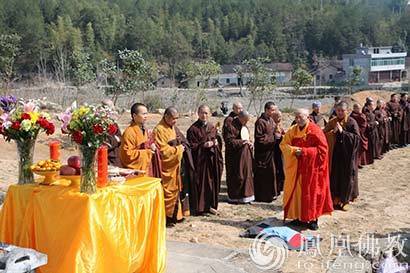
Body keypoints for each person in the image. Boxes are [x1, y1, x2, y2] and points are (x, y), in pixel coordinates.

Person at [280, 109, 333, 230]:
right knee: (297, 194)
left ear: (307, 117)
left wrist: (304, 152)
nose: (298, 120)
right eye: (296, 117)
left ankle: (313, 219)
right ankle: (299, 217)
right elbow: (284, 145)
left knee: (312, 194)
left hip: (313, 170)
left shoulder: (315, 131)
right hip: (297, 168)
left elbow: (323, 151)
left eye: (300, 117)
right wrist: (294, 151)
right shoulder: (293, 130)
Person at [187, 105, 223, 215]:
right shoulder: (193, 129)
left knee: (212, 183)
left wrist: (216, 143)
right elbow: (191, 147)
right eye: (202, 113)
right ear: (198, 113)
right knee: (201, 184)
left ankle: (211, 206)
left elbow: (217, 141)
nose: (204, 115)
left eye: (207, 113)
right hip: (200, 162)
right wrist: (203, 145)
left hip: (211, 161)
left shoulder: (212, 127)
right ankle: (201, 208)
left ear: (210, 114)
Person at [324, 102, 360, 211]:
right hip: (335, 155)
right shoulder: (332, 122)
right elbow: (324, 135)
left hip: (348, 156)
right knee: (335, 176)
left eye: (342, 111)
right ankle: (335, 199)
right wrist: (333, 133)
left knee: (347, 177)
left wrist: (342, 132)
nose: (340, 113)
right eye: (338, 110)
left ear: (347, 111)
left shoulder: (351, 122)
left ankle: (346, 200)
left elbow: (357, 139)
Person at [153, 107, 185, 226]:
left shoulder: (171, 128)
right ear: (166, 116)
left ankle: (176, 215)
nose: (175, 121)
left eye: (176, 119)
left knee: (176, 189)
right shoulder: (159, 130)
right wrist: (178, 150)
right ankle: (167, 217)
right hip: (166, 167)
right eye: (172, 118)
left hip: (175, 166)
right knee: (167, 191)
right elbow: (163, 151)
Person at [223, 110, 254, 204]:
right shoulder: (230, 126)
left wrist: (250, 143)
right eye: (245, 120)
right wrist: (242, 142)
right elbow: (229, 141)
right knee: (237, 176)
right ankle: (235, 198)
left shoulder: (244, 126)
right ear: (240, 118)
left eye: (247, 121)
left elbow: (247, 138)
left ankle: (246, 196)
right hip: (234, 157)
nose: (246, 123)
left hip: (245, 157)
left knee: (246, 175)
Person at [254, 102, 280, 202]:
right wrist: (273, 139)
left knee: (271, 173)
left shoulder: (271, 120)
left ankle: (270, 194)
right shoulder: (260, 122)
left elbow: (274, 132)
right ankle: (261, 196)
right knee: (262, 174)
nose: (274, 112)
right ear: (266, 110)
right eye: (272, 110)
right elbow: (259, 139)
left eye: (274, 110)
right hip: (262, 154)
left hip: (270, 152)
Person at [119, 103, 155, 173]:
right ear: (134, 116)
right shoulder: (129, 132)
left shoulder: (145, 130)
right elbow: (126, 155)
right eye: (143, 114)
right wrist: (147, 153)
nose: (146, 116)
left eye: (146, 114)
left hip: (145, 169)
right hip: (135, 172)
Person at [102, 99, 122, 167]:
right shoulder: (99, 123)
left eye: (112, 107)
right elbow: (104, 142)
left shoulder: (113, 123)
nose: (113, 109)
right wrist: (115, 139)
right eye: (110, 107)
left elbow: (120, 138)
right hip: (105, 156)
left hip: (114, 156)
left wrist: (115, 139)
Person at [350, 103, 368, 168]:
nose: (359, 110)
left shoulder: (361, 115)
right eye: (358, 108)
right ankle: (357, 163)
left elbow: (364, 122)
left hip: (362, 134)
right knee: (357, 149)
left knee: (361, 149)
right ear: (354, 109)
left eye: (360, 108)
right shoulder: (352, 116)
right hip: (356, 134)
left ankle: (361, 162)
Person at [272, 111, 285, 192]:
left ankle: (280, 186)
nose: (279, 119)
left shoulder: (279, 125)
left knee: (280, 167)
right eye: (278, 117)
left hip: (279, 149)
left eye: (280, 117)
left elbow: (282, 133)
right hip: (273, 149)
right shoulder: (271, 124)